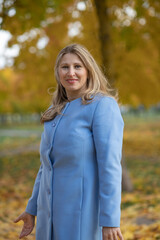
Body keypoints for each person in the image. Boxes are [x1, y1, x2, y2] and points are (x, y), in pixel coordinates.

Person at [14, 43, 124, 240]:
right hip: (49, 217)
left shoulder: (102, 106)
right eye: (65, 67)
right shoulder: (55, 111)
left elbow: (110, 166)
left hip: (83, 216)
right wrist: (32, 210)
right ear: (58, 72)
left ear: (88, 71)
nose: (71, 72)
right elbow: (46, 167)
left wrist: (110, 220)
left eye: (77, 66)